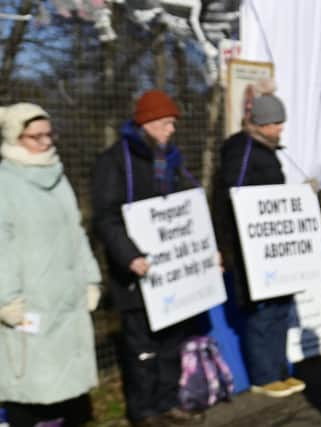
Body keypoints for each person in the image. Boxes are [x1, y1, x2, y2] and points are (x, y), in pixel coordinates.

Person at [91, 90, 205, 427]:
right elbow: (106, 217)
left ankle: (168, 401)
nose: (171, 130)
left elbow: (189, 211)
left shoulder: (173, 161)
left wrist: (205, 248)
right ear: (149, 123)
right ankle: (144, 411)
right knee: (142, 345)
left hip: (172, 274)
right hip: (136, 275)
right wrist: (130, 257)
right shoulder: (114, 162)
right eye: (167, 123)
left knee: (171, 341)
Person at [0, 102, 102, 426]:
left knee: (69, 387)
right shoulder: (5, 184)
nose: (46, 142)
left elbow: (76, 230)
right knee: (28, 386)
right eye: (36, 136)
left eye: (49, 134)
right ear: (16, 138)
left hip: (67, 299)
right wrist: (5, 299)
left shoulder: (58, 177)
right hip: (30, 303)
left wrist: (90, 278)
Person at [218, 93, 306, 398]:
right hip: (253, 248)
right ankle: (264, 376)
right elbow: (235, 196)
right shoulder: (241, 151)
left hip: (273, 244)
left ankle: (280, 370)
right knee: (263, 312)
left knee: (281, 308)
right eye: (276, 123)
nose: (281, 129)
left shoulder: (267, 151)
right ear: (262, 123)